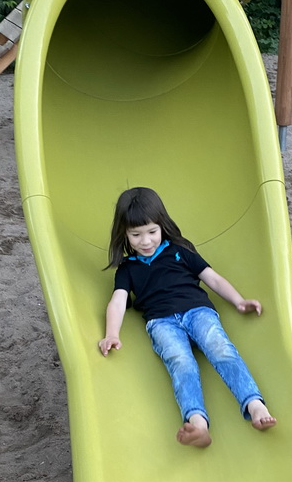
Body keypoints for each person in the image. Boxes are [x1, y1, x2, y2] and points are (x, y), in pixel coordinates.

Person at [98, 187, 276, 448]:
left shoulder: (180, 251)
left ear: (162, 226)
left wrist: (238, 300)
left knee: (220, 349)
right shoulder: (127, 268)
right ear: (124, 234)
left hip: (197, 311)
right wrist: (111, 333)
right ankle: (197, 423)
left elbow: (211, 277)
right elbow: (118, 301)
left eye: (152, 232)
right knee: (180, 362)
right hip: (161, 322)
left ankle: (255, 404)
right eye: (136, 235)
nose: (145, 241)